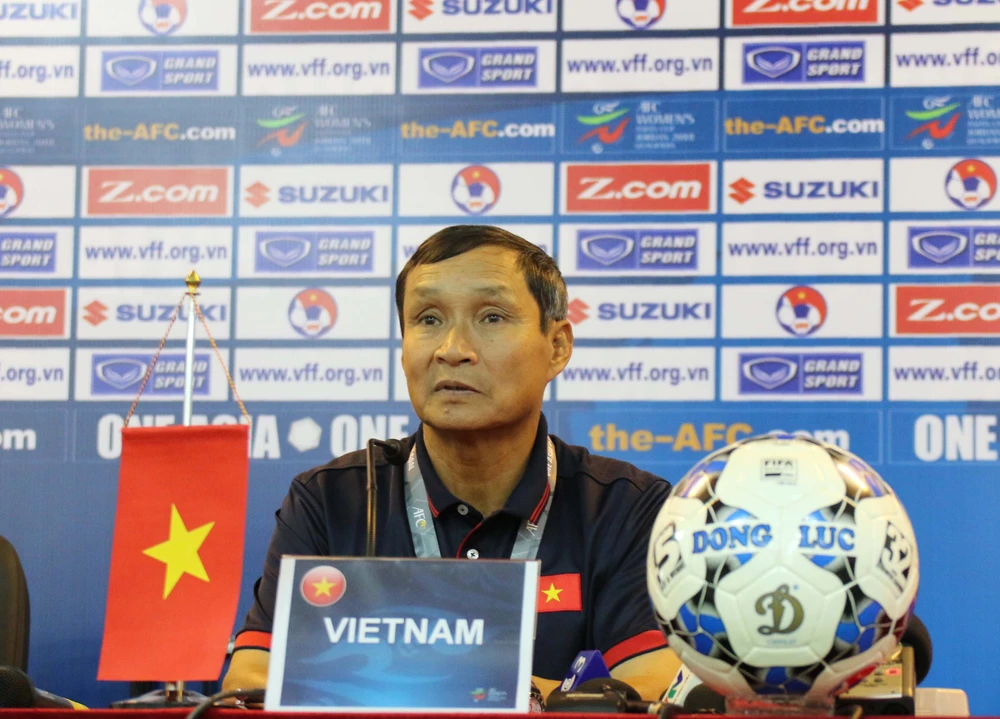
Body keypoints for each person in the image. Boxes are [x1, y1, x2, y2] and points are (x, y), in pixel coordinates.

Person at [222, 225, 680, 699]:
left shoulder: (626, 507)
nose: (452, 350)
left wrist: (478, 692)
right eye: (428, 319)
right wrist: (488, 691)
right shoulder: (332, 500)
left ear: (558, 346)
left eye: (492, 317)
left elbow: (656, 685)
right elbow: (250, 680)